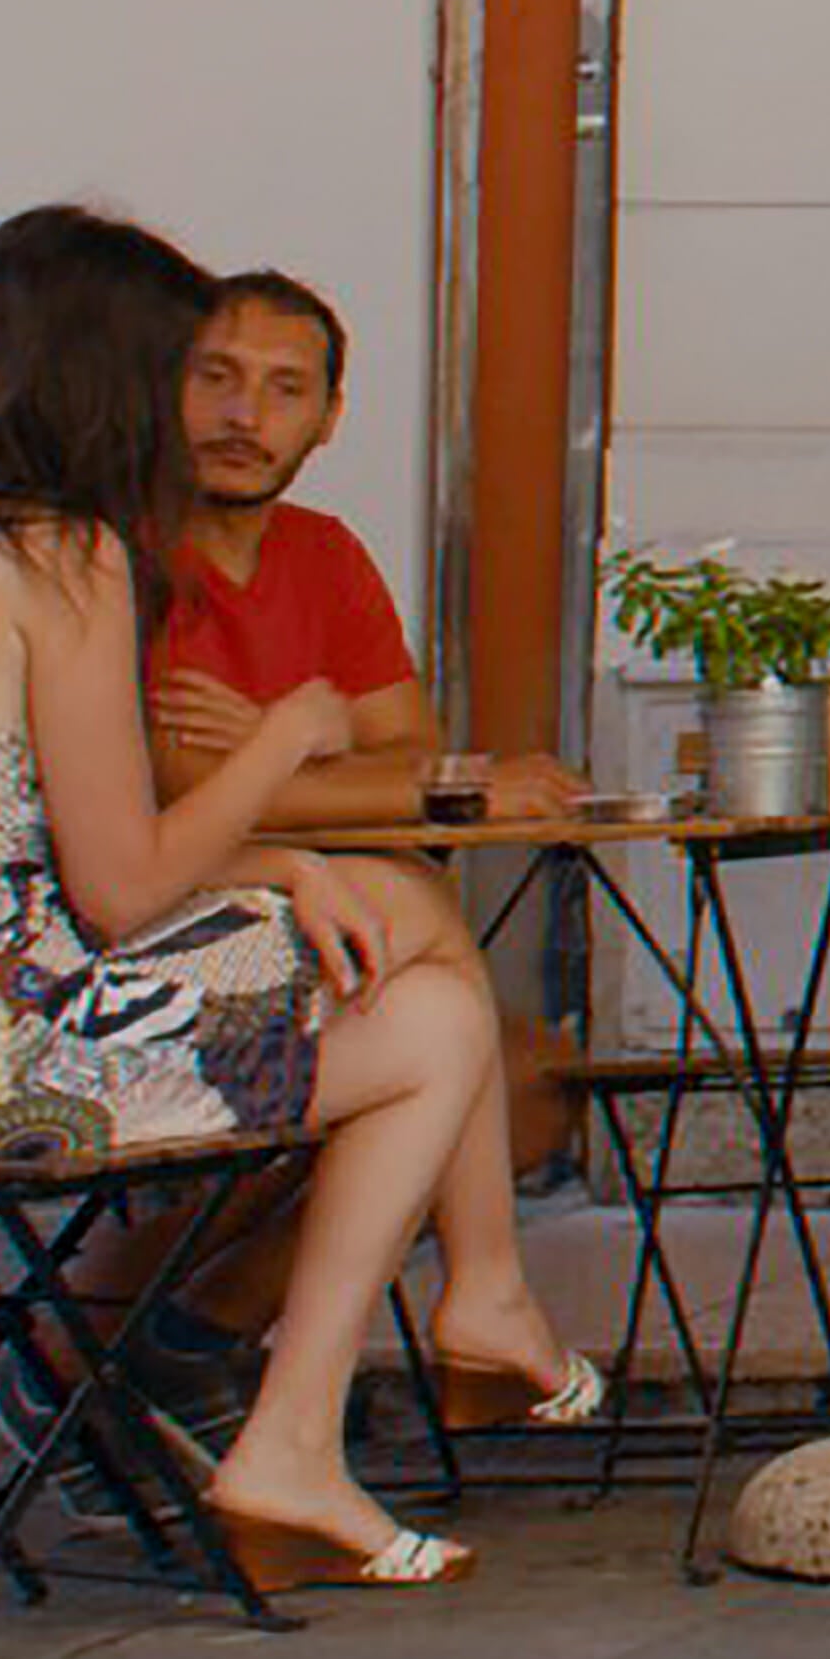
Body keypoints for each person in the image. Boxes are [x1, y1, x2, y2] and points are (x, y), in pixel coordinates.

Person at [0, 204, 596, 1595]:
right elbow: (119, 889)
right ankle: (303, 1424)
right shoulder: (63, 559)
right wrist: (285, 740)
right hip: (12, 1054)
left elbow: (8, 849)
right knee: (437, 1026)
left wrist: (285, 865)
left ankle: (451, 1318)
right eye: (174, 368)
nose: (186, 407)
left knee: (390, 921)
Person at [153, 271, 594, 1185]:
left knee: (538, 1081)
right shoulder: (125, 559)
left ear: (329, 416)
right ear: (165, 385)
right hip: (173, 934)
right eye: (217, 377)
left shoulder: (325, 553)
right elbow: (180, 790)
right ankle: (160, 1302)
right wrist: (449, 785)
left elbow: (408, 748)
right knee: (473, 1056)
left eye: (286, 389)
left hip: (333, 934)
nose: (246, 416)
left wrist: (280, 747)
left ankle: (181, 1300)